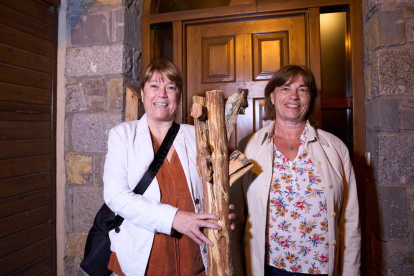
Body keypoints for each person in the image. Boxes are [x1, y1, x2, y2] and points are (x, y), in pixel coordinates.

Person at [103, 59, 233, 276]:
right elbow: (115, 196)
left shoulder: (198, 136)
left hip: (195, 255)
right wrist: (173, 218)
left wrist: (222, 210)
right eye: (154, 86)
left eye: (170, 87)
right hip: (142, 258)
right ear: (143, 94)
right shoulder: (123, 135)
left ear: (178, 96)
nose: (162, 94)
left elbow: (213, 187)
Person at [230, 65, 360, 276]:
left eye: (302, 89)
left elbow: (350, 219)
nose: (294, 96)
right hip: (269, 269)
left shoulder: (336, 148)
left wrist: (351, 272)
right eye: (285, 88)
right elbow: (236, 218)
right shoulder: (248, 146)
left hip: (321, 269)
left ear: (310, 99)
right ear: (272, 96)